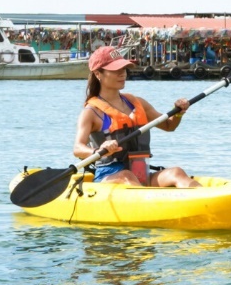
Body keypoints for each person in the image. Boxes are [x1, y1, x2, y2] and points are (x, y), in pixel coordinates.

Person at [74, 46, 201, 187]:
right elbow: (78, 148)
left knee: (176, 172)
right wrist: (98, 151)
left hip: (141, 173)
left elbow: (169, 126)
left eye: (123, 69)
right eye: (116, 70)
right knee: (127, 177)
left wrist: (177, 112)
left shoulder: (137, 103)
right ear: (98, 74)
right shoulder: (91, 112)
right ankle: (150, 205)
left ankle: (206, 200)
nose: (122, 74)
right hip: (108, 177)